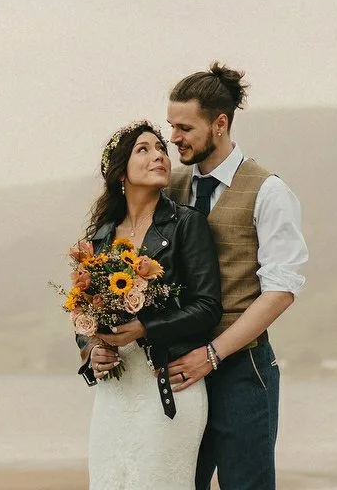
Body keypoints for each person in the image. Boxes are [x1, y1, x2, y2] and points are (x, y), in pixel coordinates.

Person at [161, 64, 308, 490]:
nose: (174, 138)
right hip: (180, 367)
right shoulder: (170, 186)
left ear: (220, 124)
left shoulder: (269, 192)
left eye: (185, 128)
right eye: (171, 126)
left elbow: (280, 291)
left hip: (243, 370)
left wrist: (212, 355)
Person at [76, 120, 222, 490]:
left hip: (168, 384)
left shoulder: (187, 224)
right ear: (120, 173)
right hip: (115, 391)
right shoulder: (100, 238)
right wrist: (92, 348)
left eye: (161, 149)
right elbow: (83, 315)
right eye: (144, 149)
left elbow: (208, 307)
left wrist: (145, 328)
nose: (159, 155)